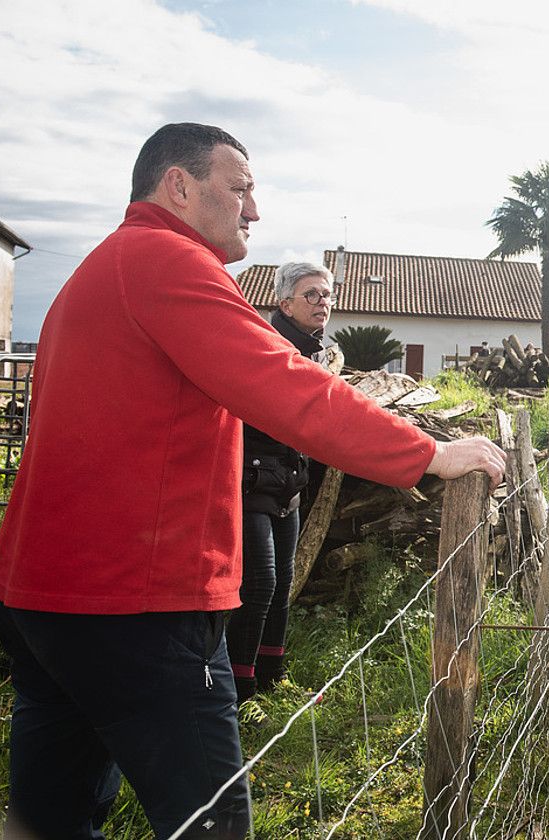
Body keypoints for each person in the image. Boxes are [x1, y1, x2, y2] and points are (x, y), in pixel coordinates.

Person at [0, 123, 506, 839]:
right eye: (239, 189)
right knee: (210, 825)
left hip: (45, 598)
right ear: (180, 186)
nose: (253, 211)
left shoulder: (100, 268)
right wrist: (427, 455)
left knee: (51, 821)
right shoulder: (171, 263)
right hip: (134, 605)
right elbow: (286, 386)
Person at [226, 261, 334, 705]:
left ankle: (272, 676)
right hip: (253, 482)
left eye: (327, 295)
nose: (322, 303)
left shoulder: (315, 351)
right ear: (283, 302)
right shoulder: (269, 346)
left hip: (288, 483)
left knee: (282, 581)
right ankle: (239, 689)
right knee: (259, 584)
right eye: (312, 294)